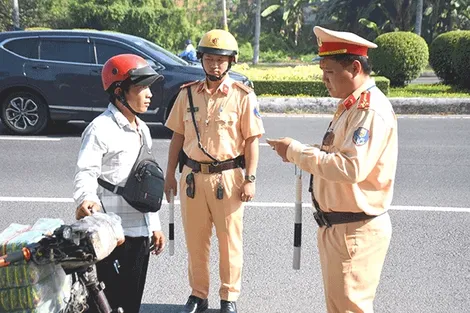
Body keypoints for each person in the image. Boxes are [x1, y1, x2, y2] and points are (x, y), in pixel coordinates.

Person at [267, 26, 398, 313]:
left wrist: (296, 152)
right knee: (339, 307)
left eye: (329, 72)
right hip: (340, 226)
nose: (324, 80)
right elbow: (337, 153)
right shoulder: (351, 106)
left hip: (354, 228)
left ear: (354, 68)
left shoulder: (369, 110)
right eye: (322, 72)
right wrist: (299, 151)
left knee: (349, 308)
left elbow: (351, 167)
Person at [164, 29, 265, 313]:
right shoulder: (187, 94)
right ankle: (198, 295)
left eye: (221, 60)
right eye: (209, 59)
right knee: (196, 243)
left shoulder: (242, 96)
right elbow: (177, 138)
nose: (215, 65)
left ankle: (229, 298)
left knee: (230, 242)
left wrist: (250, 179)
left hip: (229, 178)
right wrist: (170, 174)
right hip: (192, 179)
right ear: (201, 60)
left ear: (231, 62)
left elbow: (252, 141)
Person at [73, 54, 166, 313]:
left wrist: (155, 225)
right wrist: (85, 199)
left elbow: (147, 180)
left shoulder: (142, 129)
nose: (149, 95)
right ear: (119, 92)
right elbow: (86, 172)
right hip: (112, 236)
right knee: (106, 303)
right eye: (141, 88)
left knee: (132, 302)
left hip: (140, 234)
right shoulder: (100, 129)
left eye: (149, 88)